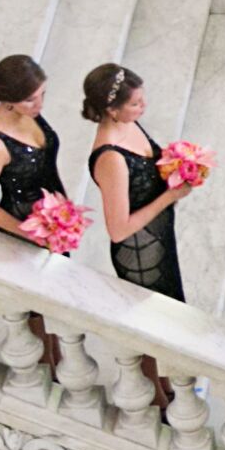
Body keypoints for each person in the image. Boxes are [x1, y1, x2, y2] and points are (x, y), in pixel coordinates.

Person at [84, 62, 193, 301]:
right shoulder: (111, 158)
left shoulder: (127, 121)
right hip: (142, 254)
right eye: (134, 104)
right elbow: (118, 230)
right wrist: (170, 196)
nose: (143, 107)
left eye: (142, 99)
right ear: (112, 110)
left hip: (160, 235)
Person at [0, 55, 62, 245]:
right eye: (30, 100)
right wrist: (34, 236)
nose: (40, 105)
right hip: (21, 227)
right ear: (7, 99)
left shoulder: (29, 112)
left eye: (42, 94)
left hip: (54, 220)